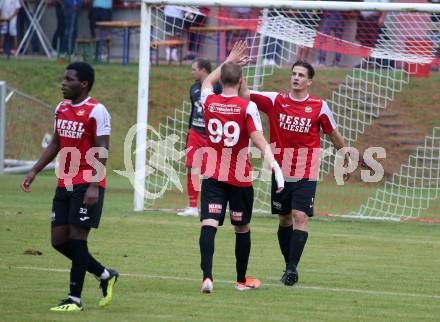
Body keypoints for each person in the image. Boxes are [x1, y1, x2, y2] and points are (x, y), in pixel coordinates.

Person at [240, 58, 350, 286]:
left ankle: (291, 269)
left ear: (309, 81)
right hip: (280, 171)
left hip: (306, 169)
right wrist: (237, 68)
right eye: (294, 73)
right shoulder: (275, 100)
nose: (296, 77)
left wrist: (346, 155)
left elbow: (333, 133)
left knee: (300, 216)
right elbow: (245, 94)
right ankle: (289, 265)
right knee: (285, 218)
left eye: (301, 75)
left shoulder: (319, 106)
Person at [21, 62, 119, 311]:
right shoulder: (61, 107)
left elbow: (102, 148)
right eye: (64, 79)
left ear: (83, 84)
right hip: (64, 181)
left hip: (87, 182)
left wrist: (95, 185)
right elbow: (55, 143)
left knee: (77, 238)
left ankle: (74, 299)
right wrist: (34, 170)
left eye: (69, 79)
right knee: (58, 240)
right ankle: (105, 274)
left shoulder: (97, 111)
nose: (63, 83)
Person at [198, 41, 284, 293]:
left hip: (213, 174)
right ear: (240, 80)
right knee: (242, 227)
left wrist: (228, 59)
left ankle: (207, 277)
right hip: (239, 177)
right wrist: (277, 170)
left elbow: (205, 83)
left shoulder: (209, 101)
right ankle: (240, 280)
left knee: (209, 224)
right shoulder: (248, 107)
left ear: (221, 78)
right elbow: (259, 140)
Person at [177, 58, 221, 217]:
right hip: (195, 133)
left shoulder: (218, 87)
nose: (192, 72)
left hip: (211, 135)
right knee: (192, 168)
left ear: (203, 70)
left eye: (194, 69)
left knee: (212, 171)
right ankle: (193, 207)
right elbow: (193, 112)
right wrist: (189, 130)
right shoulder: (194, 88)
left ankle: (212, 204)